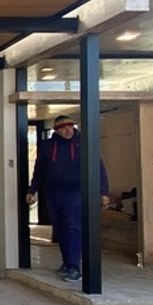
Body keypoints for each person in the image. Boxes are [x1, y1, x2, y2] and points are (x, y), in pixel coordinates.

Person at [26, 115, 110, 282]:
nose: (68, 131)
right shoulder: (48, 146)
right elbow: (39, 170)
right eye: (64, 128)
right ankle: (67, 262)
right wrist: (32, 190)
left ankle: (74, 267)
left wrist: (104, 192)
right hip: (52, 192)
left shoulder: (83, 144)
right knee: (60, 229)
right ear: (56, 131)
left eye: (70, 127)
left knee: (72, 227)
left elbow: (98, 168)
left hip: (75, 192)